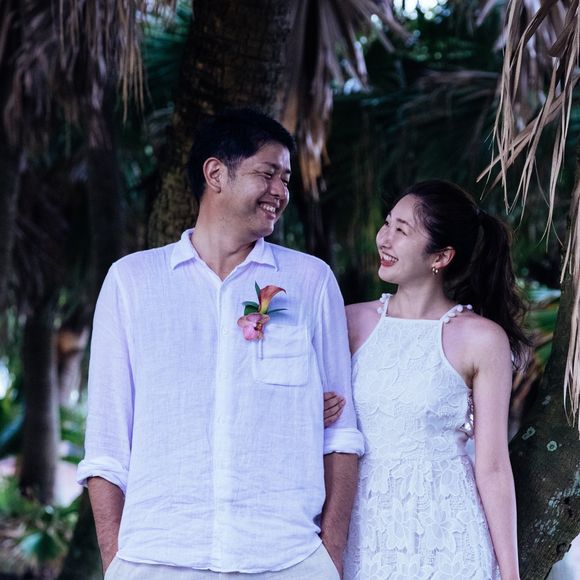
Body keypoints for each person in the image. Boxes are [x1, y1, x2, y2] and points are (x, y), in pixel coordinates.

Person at [76, 108, 364, 579]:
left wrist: (329, 557)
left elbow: (342, 436)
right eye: (267, 174)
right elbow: (107, 443)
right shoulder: (132, 281)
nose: (280, 192)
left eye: (286, 180)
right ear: (215, 174)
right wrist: (116, 562)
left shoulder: (310, 281)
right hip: (156, 558)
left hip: (286, 557)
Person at [328, 180, 528, 579]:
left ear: (441, 256)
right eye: (387, 223)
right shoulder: (348, 321)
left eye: (401, 230)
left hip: (446, 531)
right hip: (363, 529)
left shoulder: (482, 339)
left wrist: (510, 573)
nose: (384, 238)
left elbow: (492, 466)